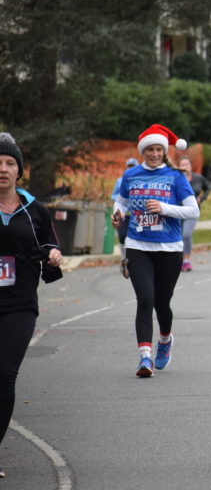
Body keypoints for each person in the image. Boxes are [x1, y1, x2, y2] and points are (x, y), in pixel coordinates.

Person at [111, 124, 199, 377]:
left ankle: (165, 339)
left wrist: (164, 208)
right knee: (145, 300)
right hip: (138, 244)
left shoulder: (176, 177)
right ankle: (145, 358)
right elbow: (121, 202)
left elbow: (193, 211)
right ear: (143, 151)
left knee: (162, 303)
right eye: (150, 149)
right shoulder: (131, 175)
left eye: (159, 149)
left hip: (169, 247)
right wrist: (117, 216)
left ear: (164, 150)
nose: (155, 154)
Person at [0, 133, 63, 480]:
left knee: (4, 374)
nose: (3, 169)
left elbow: (51, 242)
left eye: (10, 163)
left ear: (20, 170)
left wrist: (54, 254)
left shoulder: (33, 207)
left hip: (20, 303)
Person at [177, 155, 210, 272]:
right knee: (178, 236)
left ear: (191, 166)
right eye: (182, 165)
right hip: (178, 211)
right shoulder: (176, 179)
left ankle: (186, 260)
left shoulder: (198, 178)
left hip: (192, 211)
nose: (185, 166)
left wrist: (201, 198)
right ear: (179, 167)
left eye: (187, 164)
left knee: (186, 234)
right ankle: (179, 260)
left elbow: (207, 188)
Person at [112, 157, 139, 265]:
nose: (130, 168)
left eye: (133, 166)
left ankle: (134, 261)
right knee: (122, 236)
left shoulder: (140, 180)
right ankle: (124, 259)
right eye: (129, 166)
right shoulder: (120, 180)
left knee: (135, 238)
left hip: (136, 214)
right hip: (123, 214)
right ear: (126, 167)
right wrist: (120, 199)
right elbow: (113, 195)